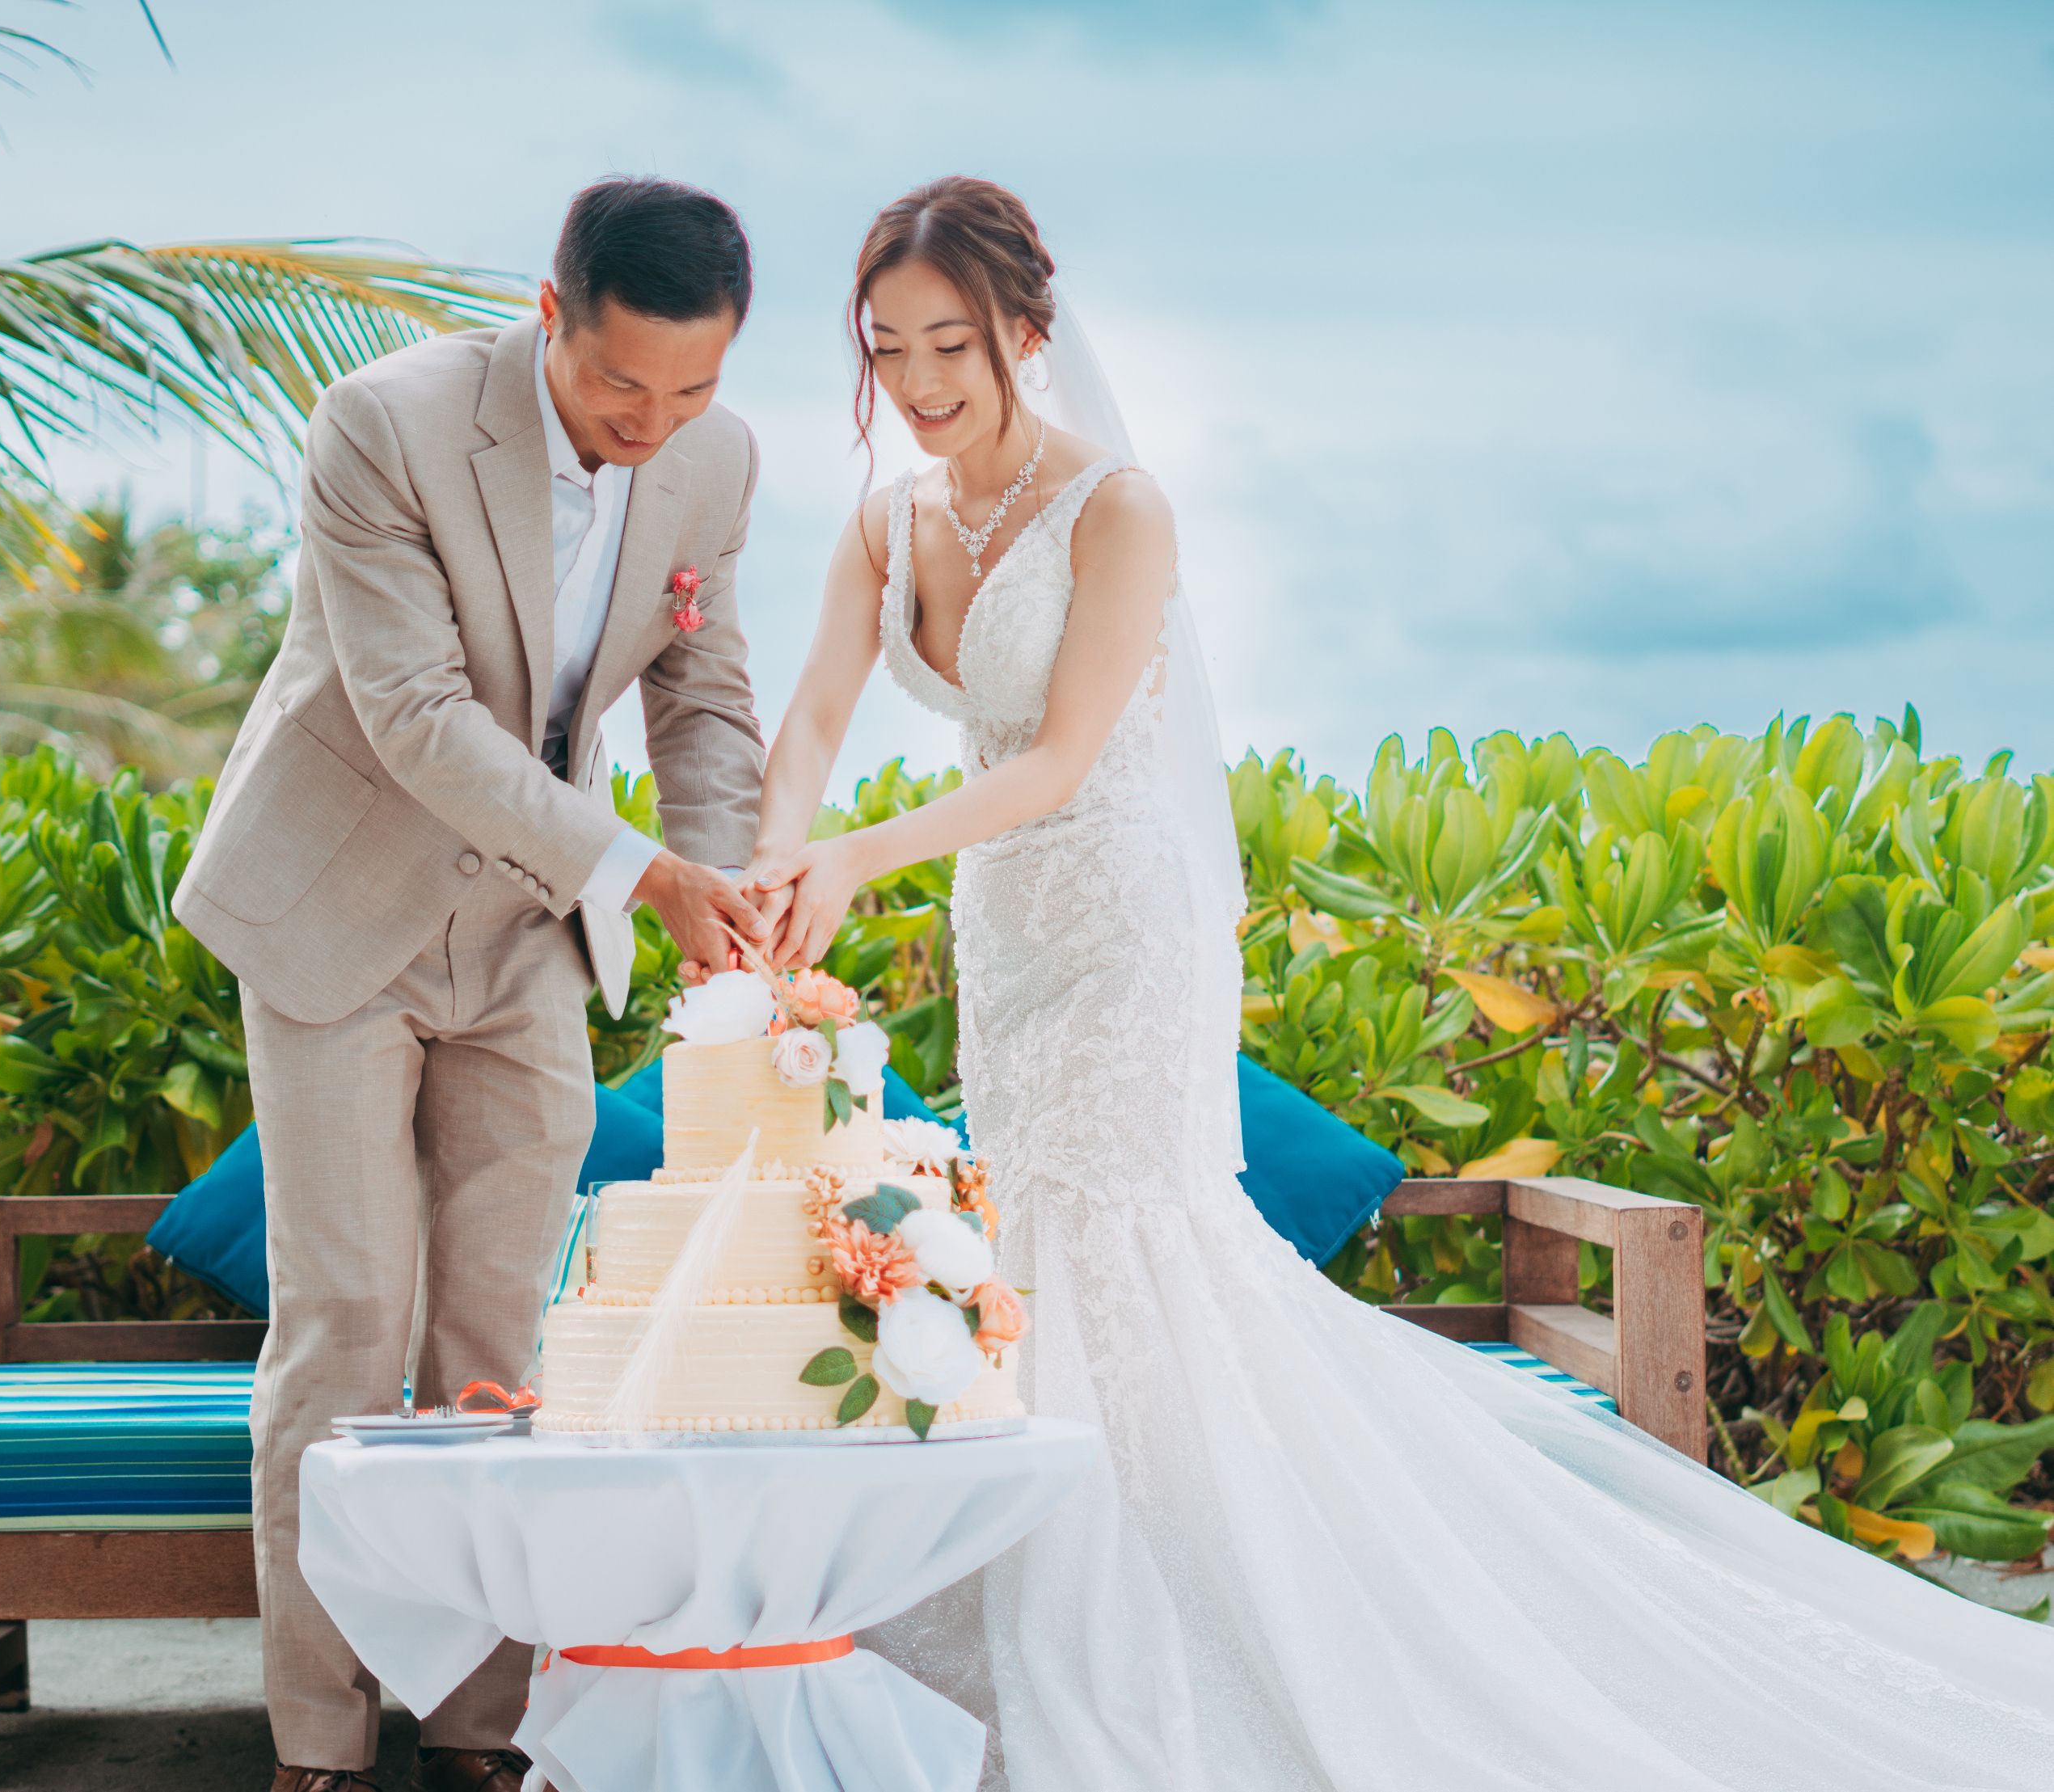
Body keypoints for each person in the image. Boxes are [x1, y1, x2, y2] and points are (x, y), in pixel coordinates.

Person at [744, 174, 2054, 1791]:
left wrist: (861, 861)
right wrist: (764, 870)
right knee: (1028, 1235)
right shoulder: (883, 519)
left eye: (951, 341)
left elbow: (1072, 755)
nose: (922, 380)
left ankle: (1151, 1644)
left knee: (1116, 1255)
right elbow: (805, 718)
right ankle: (1034, 1624)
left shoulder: (1119, 508)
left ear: (1026, 328)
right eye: (888, 348)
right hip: (1005, 932)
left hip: (1119, 926)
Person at [172, 176, 770, 1792]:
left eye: (693, 388)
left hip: (527, 934)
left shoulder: (714, 463)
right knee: (350, 1320)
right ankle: (318, 1742)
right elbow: (416, 711)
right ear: (546, 310)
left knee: (509, 1332)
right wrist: (645, 871)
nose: (655, 422)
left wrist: (729, 887)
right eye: (618, 383)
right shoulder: (382, 423)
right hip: (335, 910)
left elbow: (702, 701)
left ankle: (479, 1725)